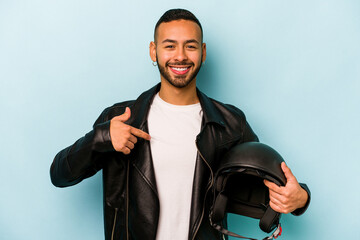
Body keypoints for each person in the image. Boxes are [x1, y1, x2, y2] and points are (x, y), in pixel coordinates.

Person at [50, 9, 310, 240]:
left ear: (203, 52)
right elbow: (60, 174)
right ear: (154, 51)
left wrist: (301, 199)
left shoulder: (231, 123)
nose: (181, 56)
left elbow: (266, 188)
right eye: (170, 46)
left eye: (190, 46)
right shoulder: (121, 117)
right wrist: (103, 138)